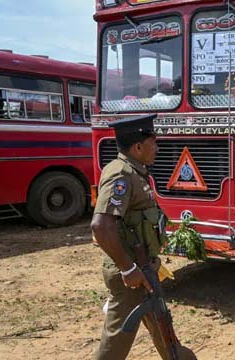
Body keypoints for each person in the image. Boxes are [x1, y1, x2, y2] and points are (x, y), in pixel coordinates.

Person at [91, 114, 194, 360]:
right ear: (138, 147)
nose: (157, 147)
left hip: (144, 269)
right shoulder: (121, 175)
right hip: (132, 275)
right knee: (115, 345)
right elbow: (101, 226)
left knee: (165, 332)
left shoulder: (136, 172)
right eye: (153, 142)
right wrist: (128, 269)